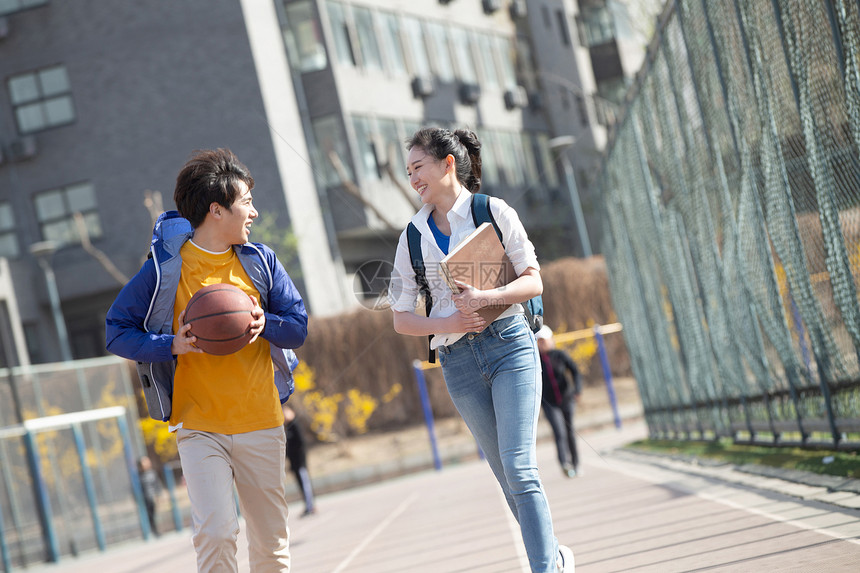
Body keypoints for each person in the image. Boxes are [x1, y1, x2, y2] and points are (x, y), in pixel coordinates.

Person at [106, 148, 308, 572]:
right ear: (216, 210)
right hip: (199, 427)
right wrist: (169, 345)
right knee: (216, 534)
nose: (253, 212)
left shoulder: (261, 262)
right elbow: (116, 331)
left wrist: (263, 322)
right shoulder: (164, 271)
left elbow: (297, 327)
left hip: (261, 420)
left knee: (271, 545)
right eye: (246, 202)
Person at [388, 127, 574, 573]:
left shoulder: (492, 210)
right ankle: (557, 558)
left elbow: (534, 280)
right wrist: (447, 322)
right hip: (459, 364)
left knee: (520, 468)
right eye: (408, 170)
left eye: (419, 167)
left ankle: (546, 568)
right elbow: (400, 318)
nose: (413, 178)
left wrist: (489, 298)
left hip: (510, 344)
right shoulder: (411, 237)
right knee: (507, 477)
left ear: (448, 164)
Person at [535, 325, 583, 478]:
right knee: (559, 432)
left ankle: (576, 464)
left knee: (570, 431)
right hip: (549, 403)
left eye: (544, 340)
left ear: (550, 340)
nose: (542, 344)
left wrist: (577, 390)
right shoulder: (535, 361)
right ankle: (564, 464)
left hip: (567, 399)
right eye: (539, 341)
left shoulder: (560, 355)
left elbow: (575, 371)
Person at [282, 404, 317, 517]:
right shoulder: (287, 428)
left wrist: (299, 460)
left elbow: (301, 444)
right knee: (301, 485)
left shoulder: (295, 425)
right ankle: (308, 506)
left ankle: (310, 506)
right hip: (294, 464)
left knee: (305, 484)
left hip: (300, 463)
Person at [138, 455, 162, 536]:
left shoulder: (152, 473)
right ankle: (149, 532)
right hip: (144, 499)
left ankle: (155, 531)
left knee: (152, 515)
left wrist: (158, 495)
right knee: (146, 515)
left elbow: (157, 485)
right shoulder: (138, 476)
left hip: (152, 498)